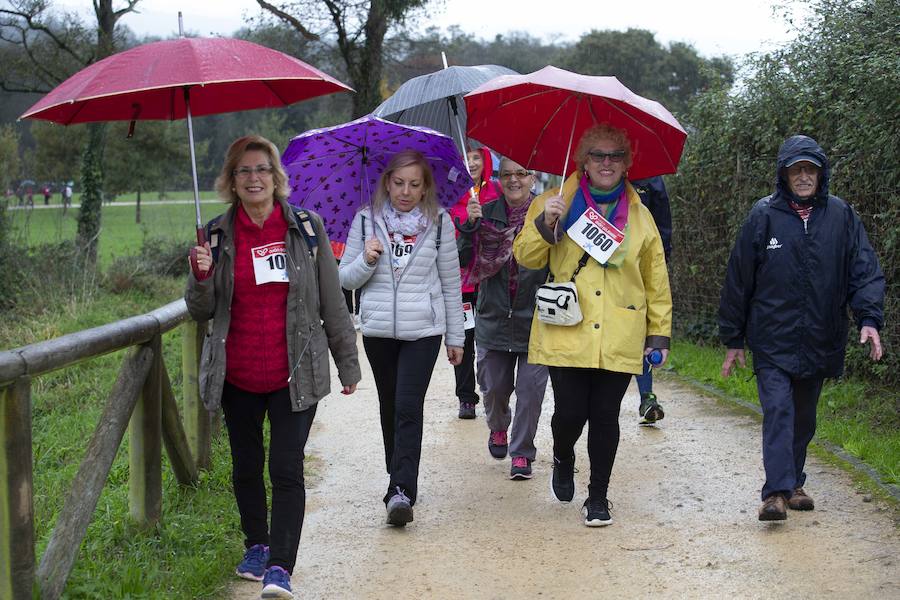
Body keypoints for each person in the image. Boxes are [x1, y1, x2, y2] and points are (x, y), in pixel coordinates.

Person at [185, 135, 361, 599]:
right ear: (231, 180)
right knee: (245, 467)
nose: (254, 178)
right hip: (237, 374)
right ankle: (256, 545)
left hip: (294, 373)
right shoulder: (216, 235)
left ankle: (280, 566)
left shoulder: (306, 228)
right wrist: (201, 275)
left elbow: (331, 299)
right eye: (243, 171)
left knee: (285, 467)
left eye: (262, 169)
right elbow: (201, 310)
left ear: (276, 176)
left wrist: (348, 364)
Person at [718, 134, 884, 522]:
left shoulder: (842, 216)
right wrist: (734, 338)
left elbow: (864, 270)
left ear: (821, 174)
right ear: (784, 174)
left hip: (820, 337)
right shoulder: (763, 216)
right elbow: (738, 279)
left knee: (804, 417)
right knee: (778, 409)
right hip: (772, 338)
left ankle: (794, 483)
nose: (805, 176)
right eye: (797, 170)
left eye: (811, 169)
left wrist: (870, 319)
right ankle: (775, 493)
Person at [513, 123, 672, 527]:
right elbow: (525, 258)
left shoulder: (641, 216)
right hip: (569, 328)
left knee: (605, 414)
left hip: (621, 330)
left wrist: (659, 332)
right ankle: (563, 456)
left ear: (626, 164)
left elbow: (656, 277)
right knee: (569, 413)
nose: (606, 163)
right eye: (597, 155)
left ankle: (598, 496)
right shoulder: (555, 202)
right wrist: (545, 226)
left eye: (615, 156)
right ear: (582, 160)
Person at [339, 149, 465, 526]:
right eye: (398, 183)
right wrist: (367, 259)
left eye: (414, 184)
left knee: (409, 406)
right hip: (378, 330)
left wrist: (455, 336)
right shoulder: (365, 221)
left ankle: (401, 490)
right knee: (389, 406)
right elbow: (344, 279)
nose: (406, 191)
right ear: (386, 182)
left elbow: (450, 281)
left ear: (426, 186)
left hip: (422, 331)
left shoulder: (440, 223)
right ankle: (397, 477)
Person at [457, 157, 549, 479]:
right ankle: (498, 426)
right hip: (494, 316)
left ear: (532, 178)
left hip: (535, 319)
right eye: (506, 174)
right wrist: (469, 227)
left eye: (521, 174)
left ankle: (522, 452)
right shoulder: (486, 212)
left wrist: (556, 227)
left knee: (530, 389)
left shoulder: (547, 215)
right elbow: (463, 258)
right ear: (499, 177)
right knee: (494, 386)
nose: (514, 180)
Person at [449, 146, 501, 419]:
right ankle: (466, 397)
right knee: (464, 340)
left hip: (492, 281)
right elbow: (449, 240)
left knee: (491, 342)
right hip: (462, 285)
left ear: (486, 161)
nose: (471, 163)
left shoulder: (498, 192)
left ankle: (494, 391)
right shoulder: (451, 197)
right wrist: (467, 220)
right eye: (466, 159)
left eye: (477, 157)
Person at [630, 176, 673, 425]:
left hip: (640, 269)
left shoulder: (651, 180)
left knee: (642, 329)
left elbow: (662, 226)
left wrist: (660, 265)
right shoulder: (588, 175)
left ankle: (647, 396)